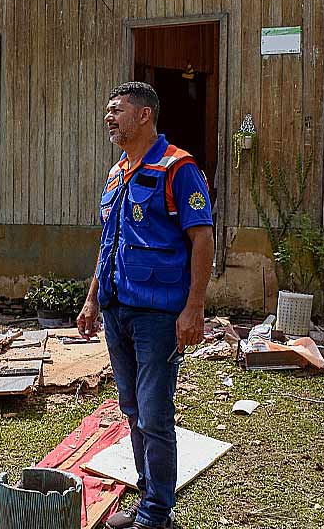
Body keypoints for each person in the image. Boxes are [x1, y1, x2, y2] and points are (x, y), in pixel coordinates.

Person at [77, 81, 215, 529]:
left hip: (157, 315)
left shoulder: (178, 167)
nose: (109, 117)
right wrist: (92, 299)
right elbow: (109, 243)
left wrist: (193, 309)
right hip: (117, 310)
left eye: (116, 110)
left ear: (144, 115)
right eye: (107, 110)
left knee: (155, 413)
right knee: (132, 409)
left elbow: (203, 239)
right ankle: (145, 500)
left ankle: (157, 515)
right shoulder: (117, 172)